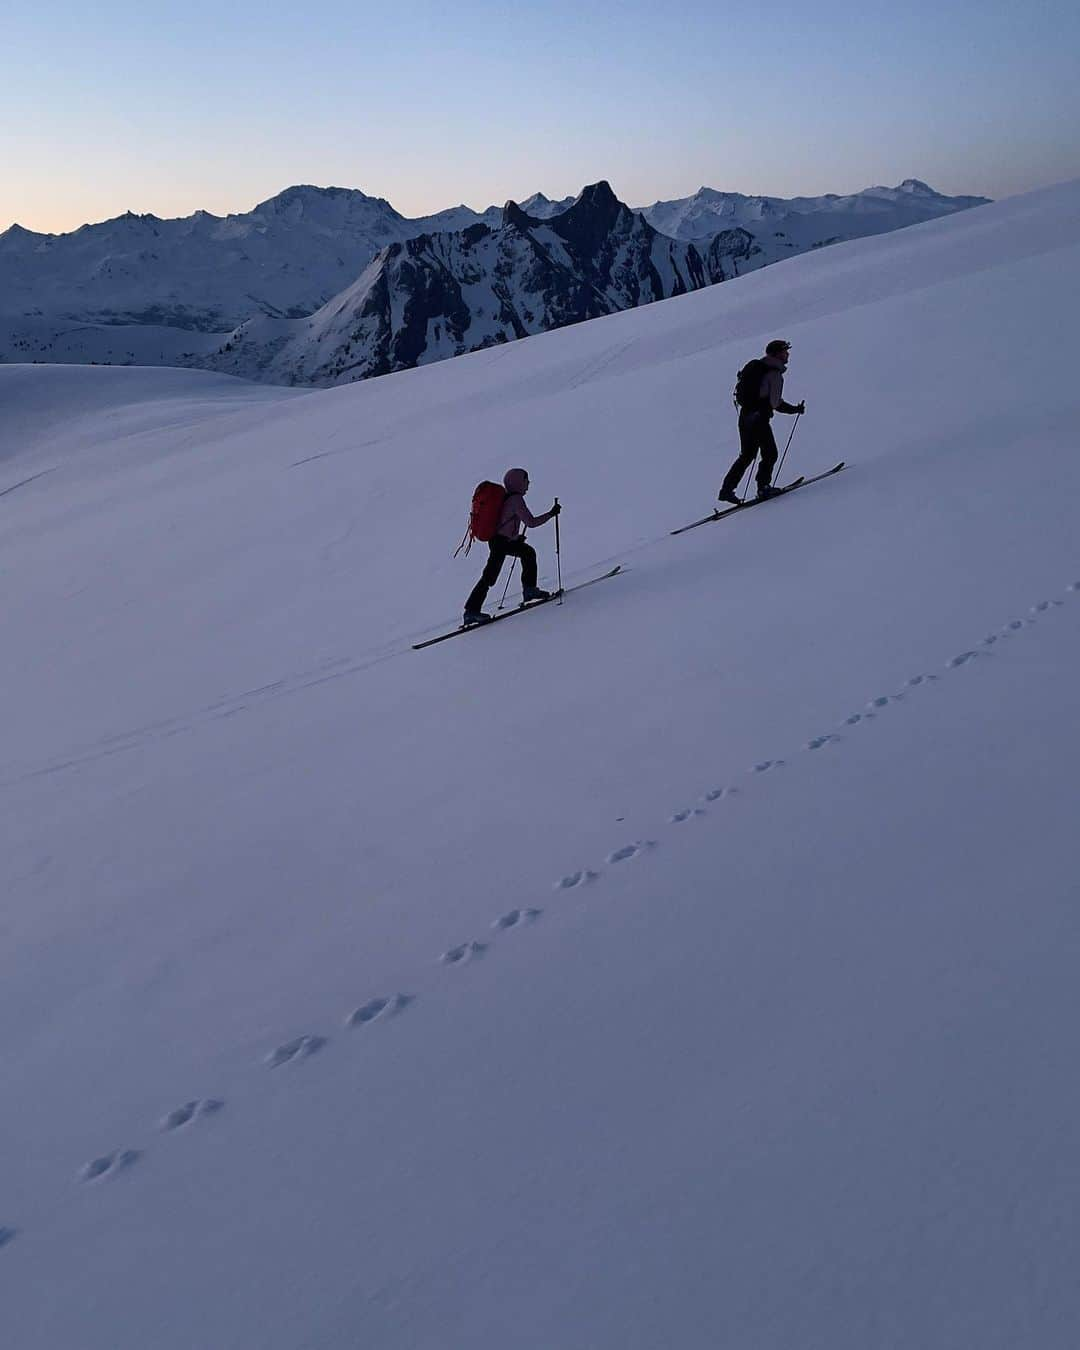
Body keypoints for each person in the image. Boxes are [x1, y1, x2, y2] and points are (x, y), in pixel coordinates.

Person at [463, 468, 561, 625]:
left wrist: (515, 538)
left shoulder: (508, 499)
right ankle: (471, 610)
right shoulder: (516, 500)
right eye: (525, 481)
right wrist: (551, 514)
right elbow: (531, 522)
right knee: (490, 576)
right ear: (518, 483)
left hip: (501, 541)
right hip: (501, 542)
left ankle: (529, 590)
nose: (528, 485)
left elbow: (504, 524)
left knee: (527, 553)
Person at [717, 339, 805, 504]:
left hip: (745, 417)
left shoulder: (758, 367)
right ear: (777, 354)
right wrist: (794, 409)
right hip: (758, 419)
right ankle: (763, 488)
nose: (788, 354)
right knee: (770, 453)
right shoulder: (774, 373)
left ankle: (726, 490)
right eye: (785, 351)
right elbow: (775, 403)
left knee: (747, 455)